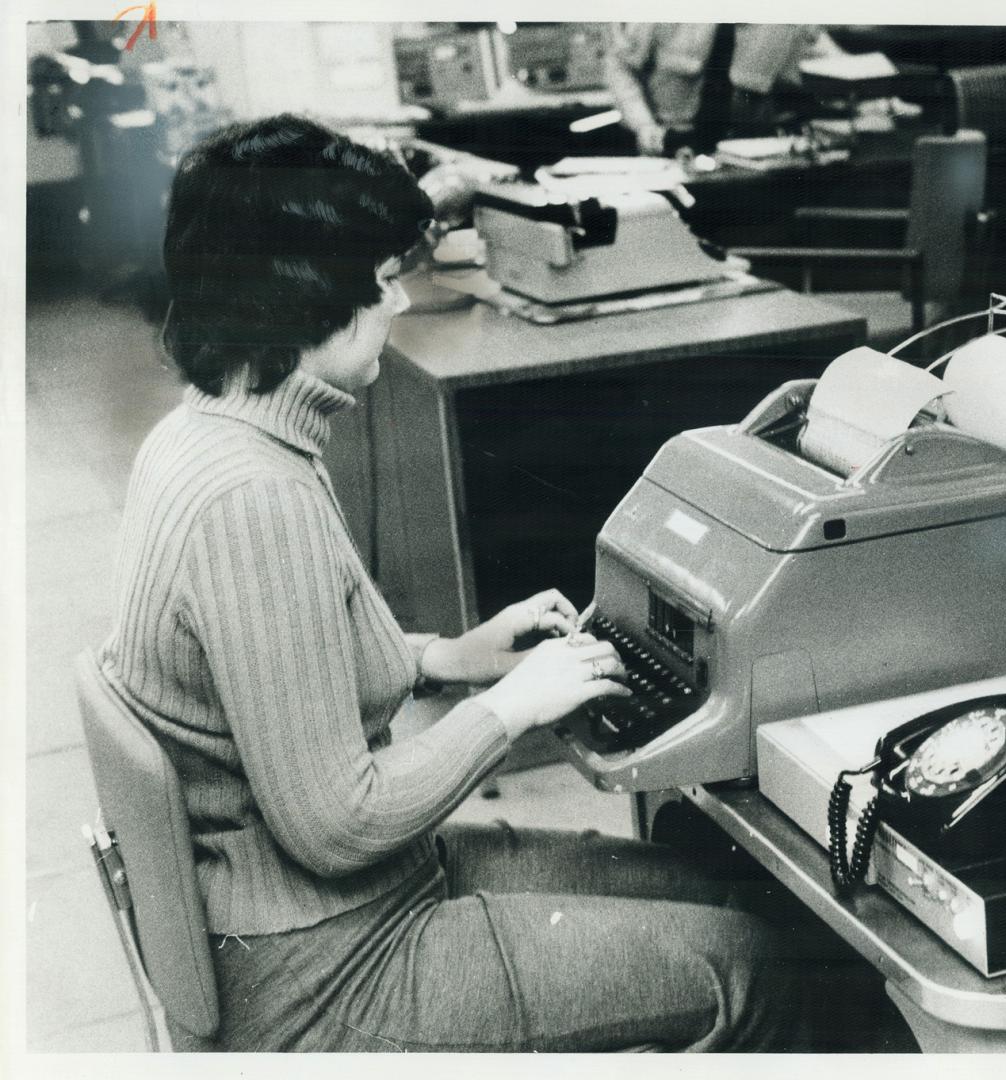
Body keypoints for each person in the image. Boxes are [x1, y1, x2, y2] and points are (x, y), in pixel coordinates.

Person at [98, 113, 801, 1052]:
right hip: (323, 973)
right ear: (301, 296)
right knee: (753, 968)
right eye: (383, 281)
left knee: (712, 892)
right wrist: (512, 706)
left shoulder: (206, 433)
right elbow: (337, 824)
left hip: (331, 908)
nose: (397, 304)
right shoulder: (254, 500)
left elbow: (277, 674)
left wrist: (446, 657)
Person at [604, 23, 839, 155]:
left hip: (750, 149)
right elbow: (620, 65)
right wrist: (643, 125)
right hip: (669, 142)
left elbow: (841, 66)